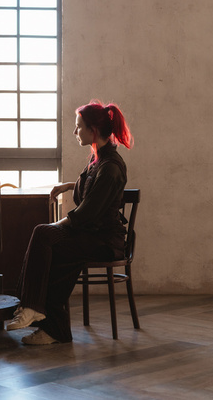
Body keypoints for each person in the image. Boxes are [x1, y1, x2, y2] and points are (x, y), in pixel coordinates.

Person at [7, 100, 133, 344]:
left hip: (104, 241)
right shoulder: (98, 160)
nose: (75, 132)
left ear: (93, 131)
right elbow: (89, 192)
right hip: (91, 235)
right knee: (46, 241)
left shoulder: (110, 167)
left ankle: (40, 315)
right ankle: (42, 318)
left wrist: (58, 225)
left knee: (47, 237)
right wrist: (69, 185)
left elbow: (86, 213)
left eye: (79, 127)